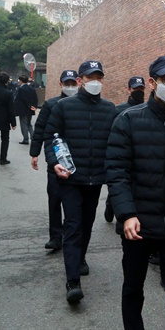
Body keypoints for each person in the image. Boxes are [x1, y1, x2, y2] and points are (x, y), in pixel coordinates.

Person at [106, 56, 165, 330]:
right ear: (152, 82)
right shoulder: (127, 120)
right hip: (138, 226)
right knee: (133, 288)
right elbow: (117, 171)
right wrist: (126, 214)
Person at [44, 60, 116, 305]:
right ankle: (72, 281)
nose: (94, 81)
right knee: (73, 225)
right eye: (89, 76)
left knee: (86, 224)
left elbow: (116, 144)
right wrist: (54, 162)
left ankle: (80, 257)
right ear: (81, 79)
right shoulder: (64, 107)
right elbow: (52, 138)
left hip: (95, 179)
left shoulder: (110, 109)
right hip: (70, 179)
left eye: (98, 76)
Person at [30, 70, 80, 250]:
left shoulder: (82, 105)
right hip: (56, 159)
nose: (70, 87)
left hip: (77, 159)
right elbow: (41, 129)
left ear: (79, 83)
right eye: (67, 84)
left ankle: (71, 235)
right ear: (60, 84)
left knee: (73, 202)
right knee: (54, 198)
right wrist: (34, 153)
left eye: (73, 84)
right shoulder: (51, 104)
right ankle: (55, 236)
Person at [103, 75, 147, 224]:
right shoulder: (119, 110)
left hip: (140, 156)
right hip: (123, 153)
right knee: (120, 183)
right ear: (129, 89)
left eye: (141, 88)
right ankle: (111, 205)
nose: (138, 91)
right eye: (135, 88)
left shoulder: (147, 110)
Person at [0, 72, 17, 165]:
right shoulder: (8, 93)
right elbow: (10, 109)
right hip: (4, 119)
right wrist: (13, 123)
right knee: (5, 139)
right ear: (7, 81)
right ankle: (3, 159)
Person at [14, 75, 38, 144]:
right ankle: (33, 137)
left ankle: (26, 139)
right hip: (30, 109)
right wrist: (34, 106)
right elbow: (35, 98)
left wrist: (29, 106)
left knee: (23, 124)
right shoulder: (31, 88)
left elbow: (23, 99)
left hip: (23, 109)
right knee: (29, 124)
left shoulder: (21, 89)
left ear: (21, 81)